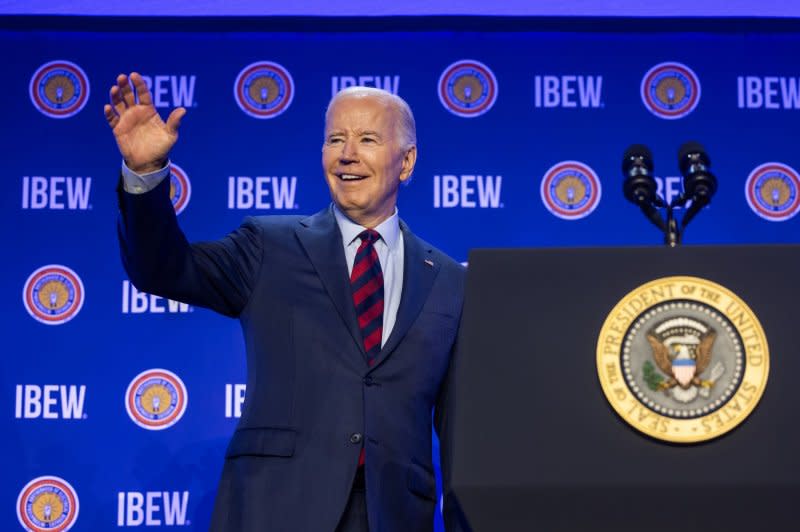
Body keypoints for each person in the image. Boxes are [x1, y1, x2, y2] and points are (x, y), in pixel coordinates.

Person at [105, 73, 465, 532]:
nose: (347, 154)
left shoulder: (449, 282)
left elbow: (460, 435)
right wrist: (145, 176)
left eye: (367, 139)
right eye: (336, 139)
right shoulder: (268, 246)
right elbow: (162, 269)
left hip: (393, 516)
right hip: (275, 508)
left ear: (407, 162)